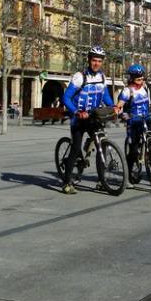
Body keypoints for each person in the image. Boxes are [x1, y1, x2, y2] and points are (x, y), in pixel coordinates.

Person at [60, 46, 118, 194]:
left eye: (99, 61)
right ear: (89, 60)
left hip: (94, 116)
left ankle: (101, 180)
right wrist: (77, 111)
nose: (96, 64)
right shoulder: (80, 77)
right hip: (79, 118)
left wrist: (113, 107)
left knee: (101, 147)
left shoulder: (102, 77)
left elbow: (104, 96)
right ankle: (67, 183)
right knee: (75, 148)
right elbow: (66, 97)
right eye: (94, 60)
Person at [117, 64, 151, 189]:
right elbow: (120, 104)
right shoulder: (127, 91)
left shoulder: (145, 88)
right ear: (131, 78)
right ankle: (127, 176)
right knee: (133, 150)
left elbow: (148, 103)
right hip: (134, 121)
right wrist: (118, 111)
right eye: (138, 78)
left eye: (142, 77)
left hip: (146, 119)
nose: (141, 80)